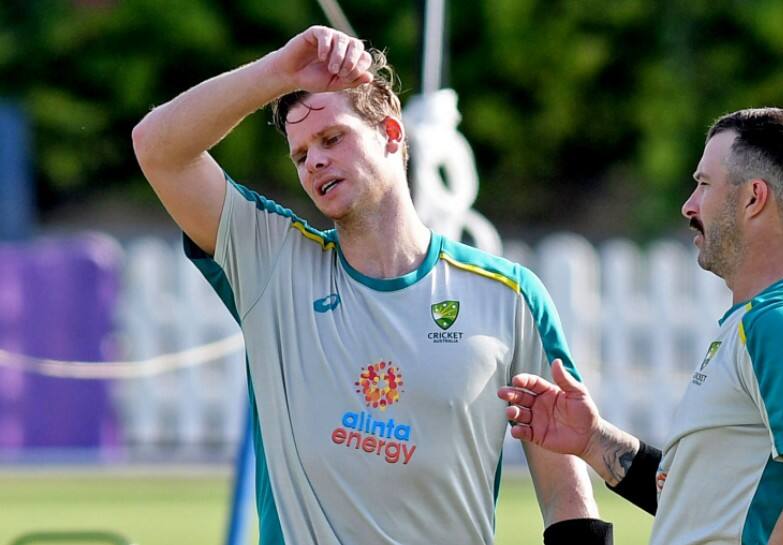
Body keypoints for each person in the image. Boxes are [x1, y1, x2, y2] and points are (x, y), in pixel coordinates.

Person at [132, 25, 610, 545]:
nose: (314, 160)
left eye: (332, 138)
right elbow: (158, 148)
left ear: (391, 133)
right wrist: (277, 72)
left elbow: (565, 492)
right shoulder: (272, 262)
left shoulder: (509, 296)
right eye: (300, 155)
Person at [499, 108, 783, 545]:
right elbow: (704, 510)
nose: (689, 204)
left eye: (704, 184)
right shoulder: (757, 322)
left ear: (753, 198)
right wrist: (593, 440)